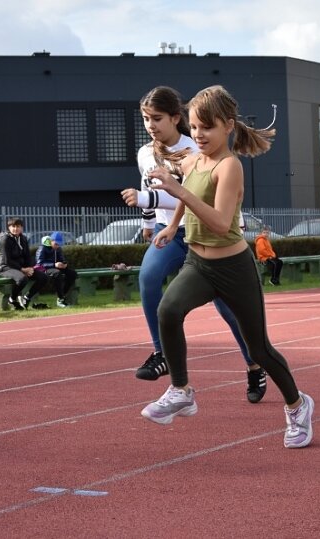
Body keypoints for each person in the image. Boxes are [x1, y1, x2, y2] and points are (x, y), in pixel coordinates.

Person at [140, 85, 313, 447]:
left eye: (207, 127)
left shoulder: (229, 166)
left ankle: (297, 406)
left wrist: (177, 191)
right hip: (198, 263)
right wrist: (173, 226)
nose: (199, 135)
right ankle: (181, 390)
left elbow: (220, 222)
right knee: (168, 311)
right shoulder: (191, 161)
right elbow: (189, 195)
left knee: (260, 350)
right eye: (194, 127)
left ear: (228, 126)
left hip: (233, 267)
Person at [121, 85, 266, 404]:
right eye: (145, 119)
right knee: (148, 278)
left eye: (157, 118)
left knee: (229, 310)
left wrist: (146, 197)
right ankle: (161, 352)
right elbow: (152, 191)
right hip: (168, 232)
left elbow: (195, 199)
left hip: (202, 234)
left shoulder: (196, 149)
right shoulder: (145, 153)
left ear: (176, 118)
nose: (151, 125)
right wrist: (148, 223)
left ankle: (255, 365)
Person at [0, 217, 49, 310]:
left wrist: (30, 268)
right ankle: (12, 299)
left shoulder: (23, 238)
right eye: (13, 226)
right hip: (6, 267)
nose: (16, 229)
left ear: (22, 228)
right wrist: (23, 270)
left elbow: (27, 256)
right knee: (22, 279)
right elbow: (7, 260)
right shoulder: (5, 240)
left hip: (22, 267)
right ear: (9, 228)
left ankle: (27, 298)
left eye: (18, 226)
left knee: (43, 277)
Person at [35, 231, 77, 308]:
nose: (57, 246)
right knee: (57, 274)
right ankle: (61, 299)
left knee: (72, 274)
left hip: (56, 268)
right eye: (56, 244)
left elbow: (62, 259)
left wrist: (64, 264)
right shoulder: (42, 248)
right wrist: (54, 264)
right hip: (45, 269)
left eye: (59, 244)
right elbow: (39, 264)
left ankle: (62, 295)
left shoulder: (58, 249)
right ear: (51, 241)